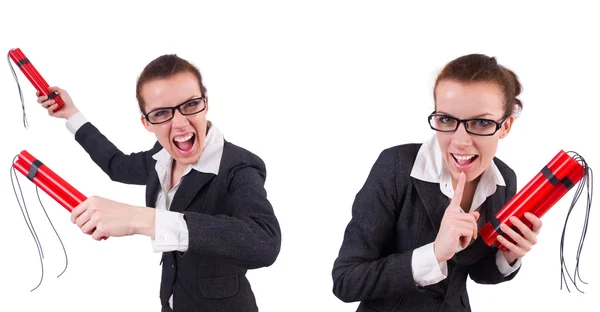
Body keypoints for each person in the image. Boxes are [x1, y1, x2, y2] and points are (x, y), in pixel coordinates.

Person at [36, 54, 281, 312]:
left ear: (205, 104)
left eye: (190, 105)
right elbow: (116, 165)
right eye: (162, 113)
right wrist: (71, 115)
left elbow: (265, 242)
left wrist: (144, 220)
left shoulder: (238, 166)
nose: (180, 123)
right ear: (147, 122)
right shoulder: (160, 158)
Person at [331, 54, 543, 311]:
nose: (461, 140)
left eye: (481, 122)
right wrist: (433, 254)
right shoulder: (396, 167)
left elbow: (478, 272)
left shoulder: (503, 180)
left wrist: (509, 255)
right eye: (446, 120)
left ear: (506, 126)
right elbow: (346, 280)